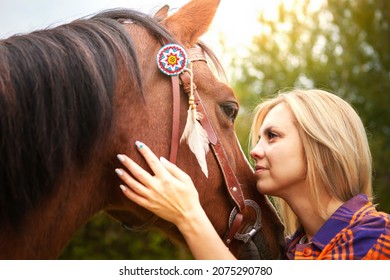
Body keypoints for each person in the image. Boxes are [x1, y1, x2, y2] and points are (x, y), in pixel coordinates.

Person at [114, 89, 390, 260]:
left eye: (272, 136)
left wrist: (189, 216)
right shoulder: (292, 252)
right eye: (258, 138)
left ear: (322, 145)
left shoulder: (376, 236)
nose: (256, 151)